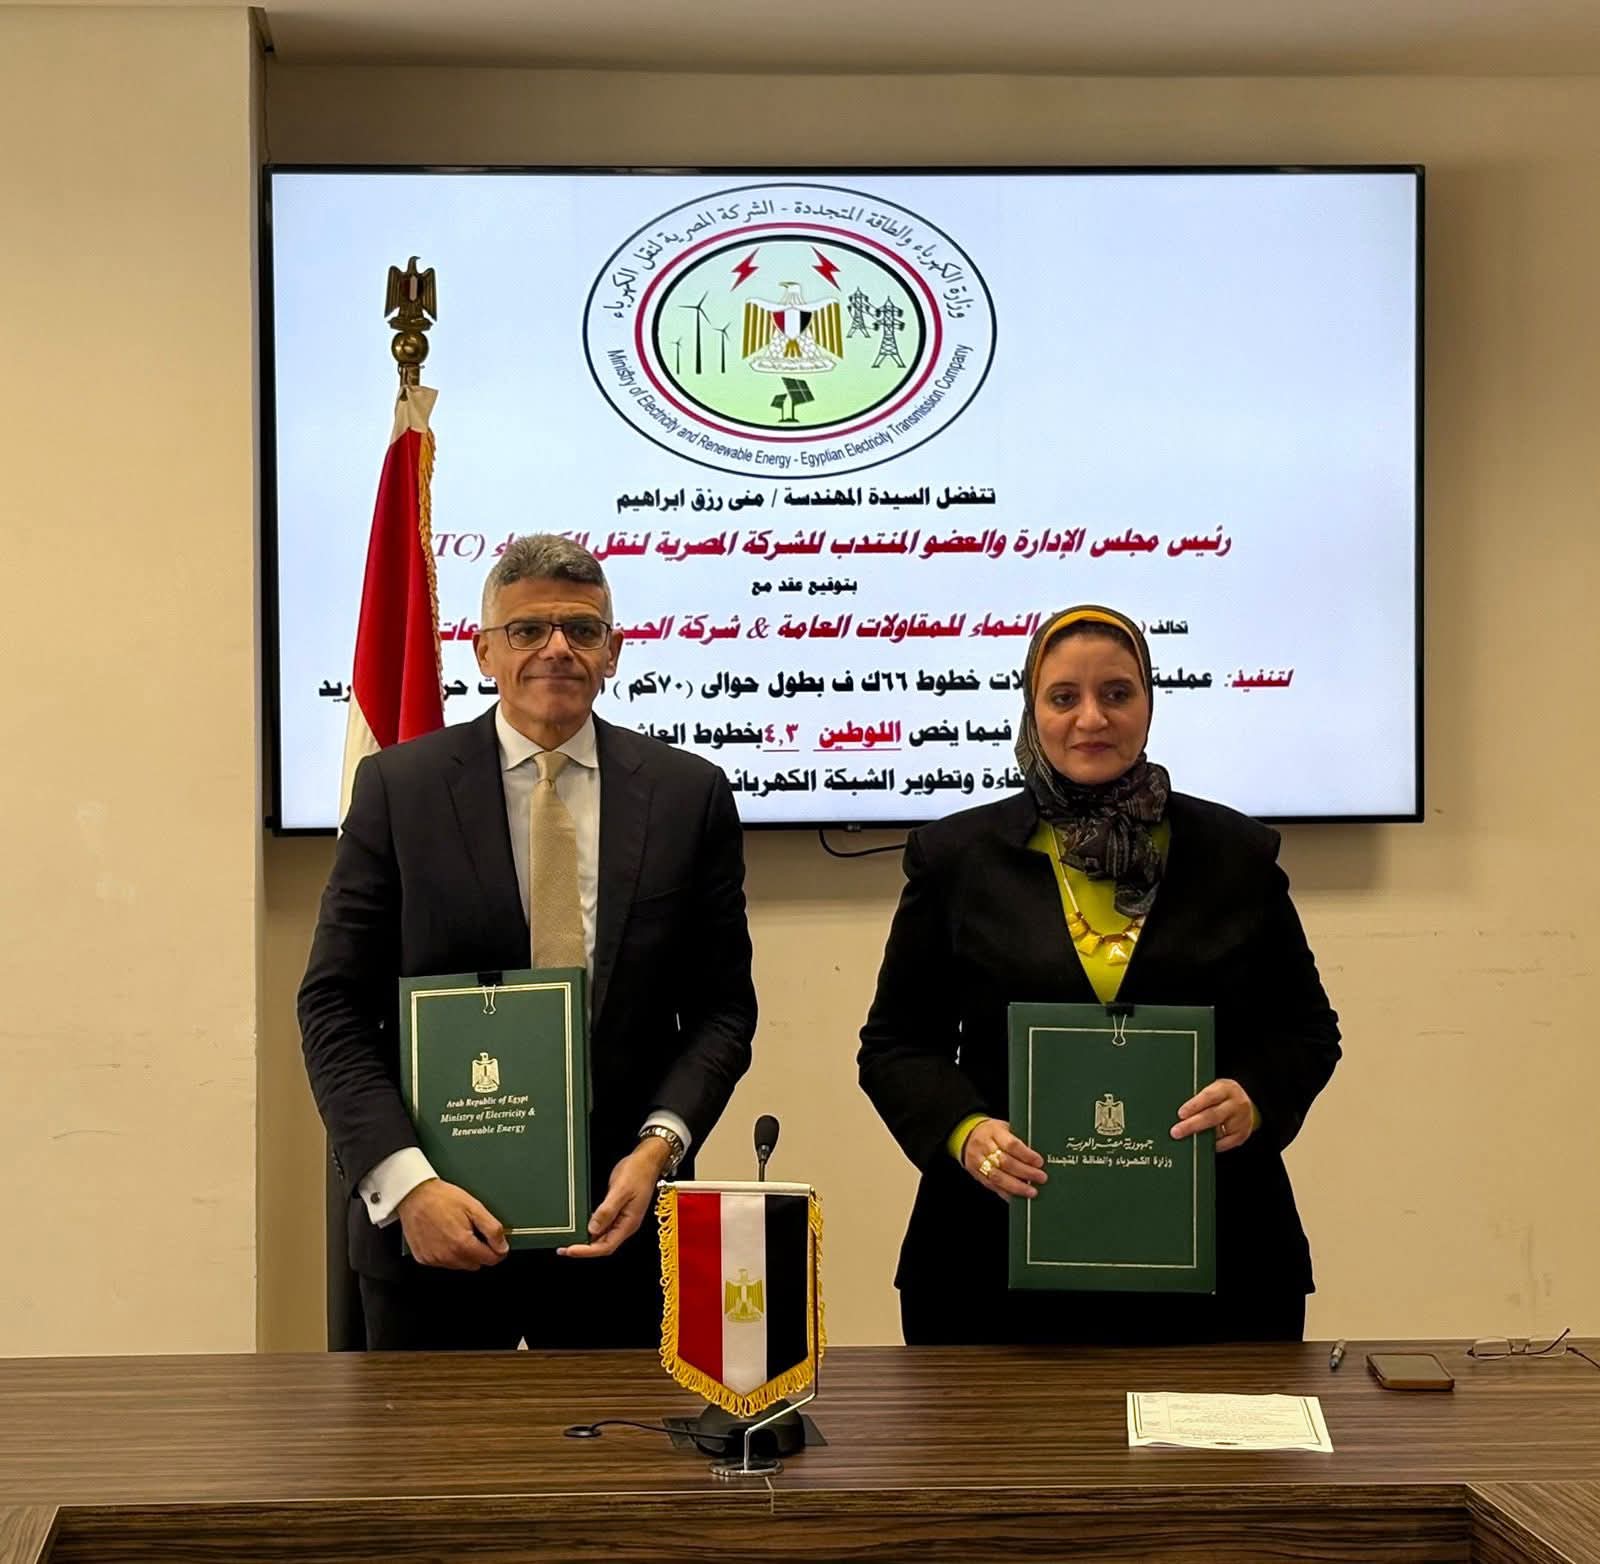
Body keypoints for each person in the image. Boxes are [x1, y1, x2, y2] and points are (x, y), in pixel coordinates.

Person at [299, 533, 756, 1350]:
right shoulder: (399, 790)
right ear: (484, 653)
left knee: (616, 1441)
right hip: (433, 1236)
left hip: (617, 1234)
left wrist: (659, 1148)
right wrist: (408, 1186)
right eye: (527, 630)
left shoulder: (688, 796)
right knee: (433, 1443)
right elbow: (334, 1007)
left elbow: (723, 1012)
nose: (557, 649)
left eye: (582, 630)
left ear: (612, 653)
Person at [858, 604, 1340, 1346]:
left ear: (1149, 705)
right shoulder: (956, 859)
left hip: (1220, 1257)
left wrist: (1257, 1097)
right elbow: (895, 1044)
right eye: (1064, 697)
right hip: (990, 1258)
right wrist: (964, 1131)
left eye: (1117, 693)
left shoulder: (1235, 854)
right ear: (1033, 710)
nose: (1092, 718)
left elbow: (1306, 1031)